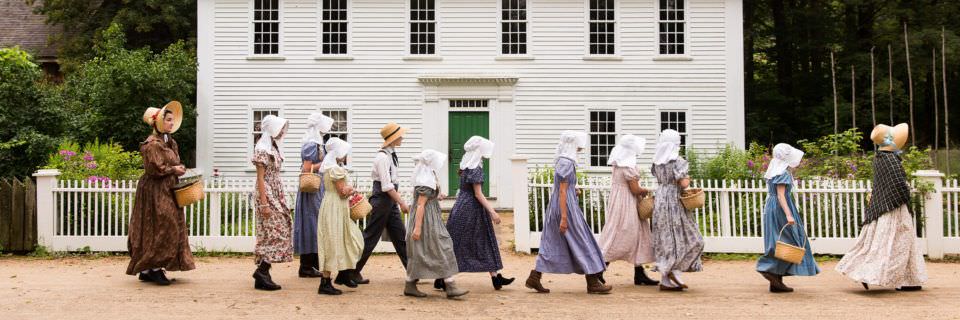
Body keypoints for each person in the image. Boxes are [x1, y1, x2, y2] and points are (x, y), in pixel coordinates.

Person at [836, 123, 928, 291]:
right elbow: (898, 185)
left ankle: (908, 280)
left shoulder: (880, 158)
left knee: (892, 242)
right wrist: (906, 196)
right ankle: (871, 273)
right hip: (894, 208)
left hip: (885, 205)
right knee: (898, 241)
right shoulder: (890, 159)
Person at [524, 131, 612, 294]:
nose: (581, 147)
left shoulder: (563, 160)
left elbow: (563, 188)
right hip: (566, 207)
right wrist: (564, 217)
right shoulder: (566, 162)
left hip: (561, 204)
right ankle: (592, 281)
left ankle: (535, 277)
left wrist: (574, 190)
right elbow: (563, 191)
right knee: (582, 240)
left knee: (553, 242)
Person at [126, 101, 195, 285]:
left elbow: (171, 163)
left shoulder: (170, 142)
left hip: (167, 188)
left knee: (164, 225)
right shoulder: (152, 144)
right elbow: (154, 170)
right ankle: (154, 268)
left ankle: (149, 269)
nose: (172, 123)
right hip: (154, 189)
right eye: (169, 120)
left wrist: (178, 168)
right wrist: (174, 170)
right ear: (159, 123)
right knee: (162, 225)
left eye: (173, 120)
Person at [445, 136, 514, 290]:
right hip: (472, 209)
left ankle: (496, 277)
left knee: (465, 242)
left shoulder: (465, 166)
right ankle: (443, 277)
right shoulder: (475, 168)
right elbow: (478, 194)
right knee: (478, 242)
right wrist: (493, 212)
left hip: (460, 207)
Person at [403, 149, 469, 299]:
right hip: (426, 219)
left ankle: (411, 284)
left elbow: (426, 199)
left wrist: (437, 196)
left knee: (428, 249)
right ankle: (450, 285)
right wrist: (417, 227)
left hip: (431, 215)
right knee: (441, 246)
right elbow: (420, 205)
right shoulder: (425, 178)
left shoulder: (428, 174)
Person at [351, 122, 411, 285]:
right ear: (393, 138)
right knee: (370, 237)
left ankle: (413, 272)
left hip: (389, 201)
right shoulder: (382, 157)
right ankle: (350, 271)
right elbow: (386, 186)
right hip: (383, 200)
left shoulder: (390, 155)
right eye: (400, 136)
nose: (402, 138)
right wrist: (402, 203)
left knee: (400, 237)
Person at [755, 143, 820, 293]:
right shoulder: (782, 173)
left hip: (771, 207)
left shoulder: (773, 171)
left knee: (779, 241)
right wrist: (789, 214)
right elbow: (781, 195)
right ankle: (768, 269)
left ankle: (776, 281)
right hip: (780, 208)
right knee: (790, 241)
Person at [597, 134, 659, 286]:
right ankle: (598, 270)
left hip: (618, 200)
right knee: (623, 234)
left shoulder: (618, 163)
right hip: (627, 203)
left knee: (637, 235)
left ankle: (639, 274)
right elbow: (634, 188)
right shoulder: (628, 166)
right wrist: (645, 190)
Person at [650, 129, 703, 292]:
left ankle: (666, 279)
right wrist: (688, 178)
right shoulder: (678, 161)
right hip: (674, 200)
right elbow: (683, 183)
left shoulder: (657, 161)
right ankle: (675, 270)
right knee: (691, 237)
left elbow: (657, 177)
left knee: (665, 237)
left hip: (660, 199)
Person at [315, 137, 364, 295]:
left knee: (346, 238)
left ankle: (343, 274)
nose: (345, 155)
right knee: (333, 241)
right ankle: (325, 281)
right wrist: (352, 189)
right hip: (334, 206)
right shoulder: (335, 169)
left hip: (333, 205)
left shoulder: (332, 167)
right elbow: (342, 191)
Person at [251, 115, 293, 291]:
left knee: (275, 230)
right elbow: (260, 178)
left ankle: (263, 272)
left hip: (275, 190)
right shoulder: (262, 148)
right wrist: (264, 203)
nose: (283, 131)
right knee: (277, 230)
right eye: (280, 127)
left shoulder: (273, 146)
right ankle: (262, 270)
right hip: (266, 191)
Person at [294, 113, 335, 278]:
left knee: (315, 223)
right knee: (312, 223)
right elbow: (306, 168)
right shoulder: (311, 144)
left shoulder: (316, 143)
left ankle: (312, 263)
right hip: (312, 189)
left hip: (318, 187)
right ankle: (306, 265)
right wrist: (326, 163)